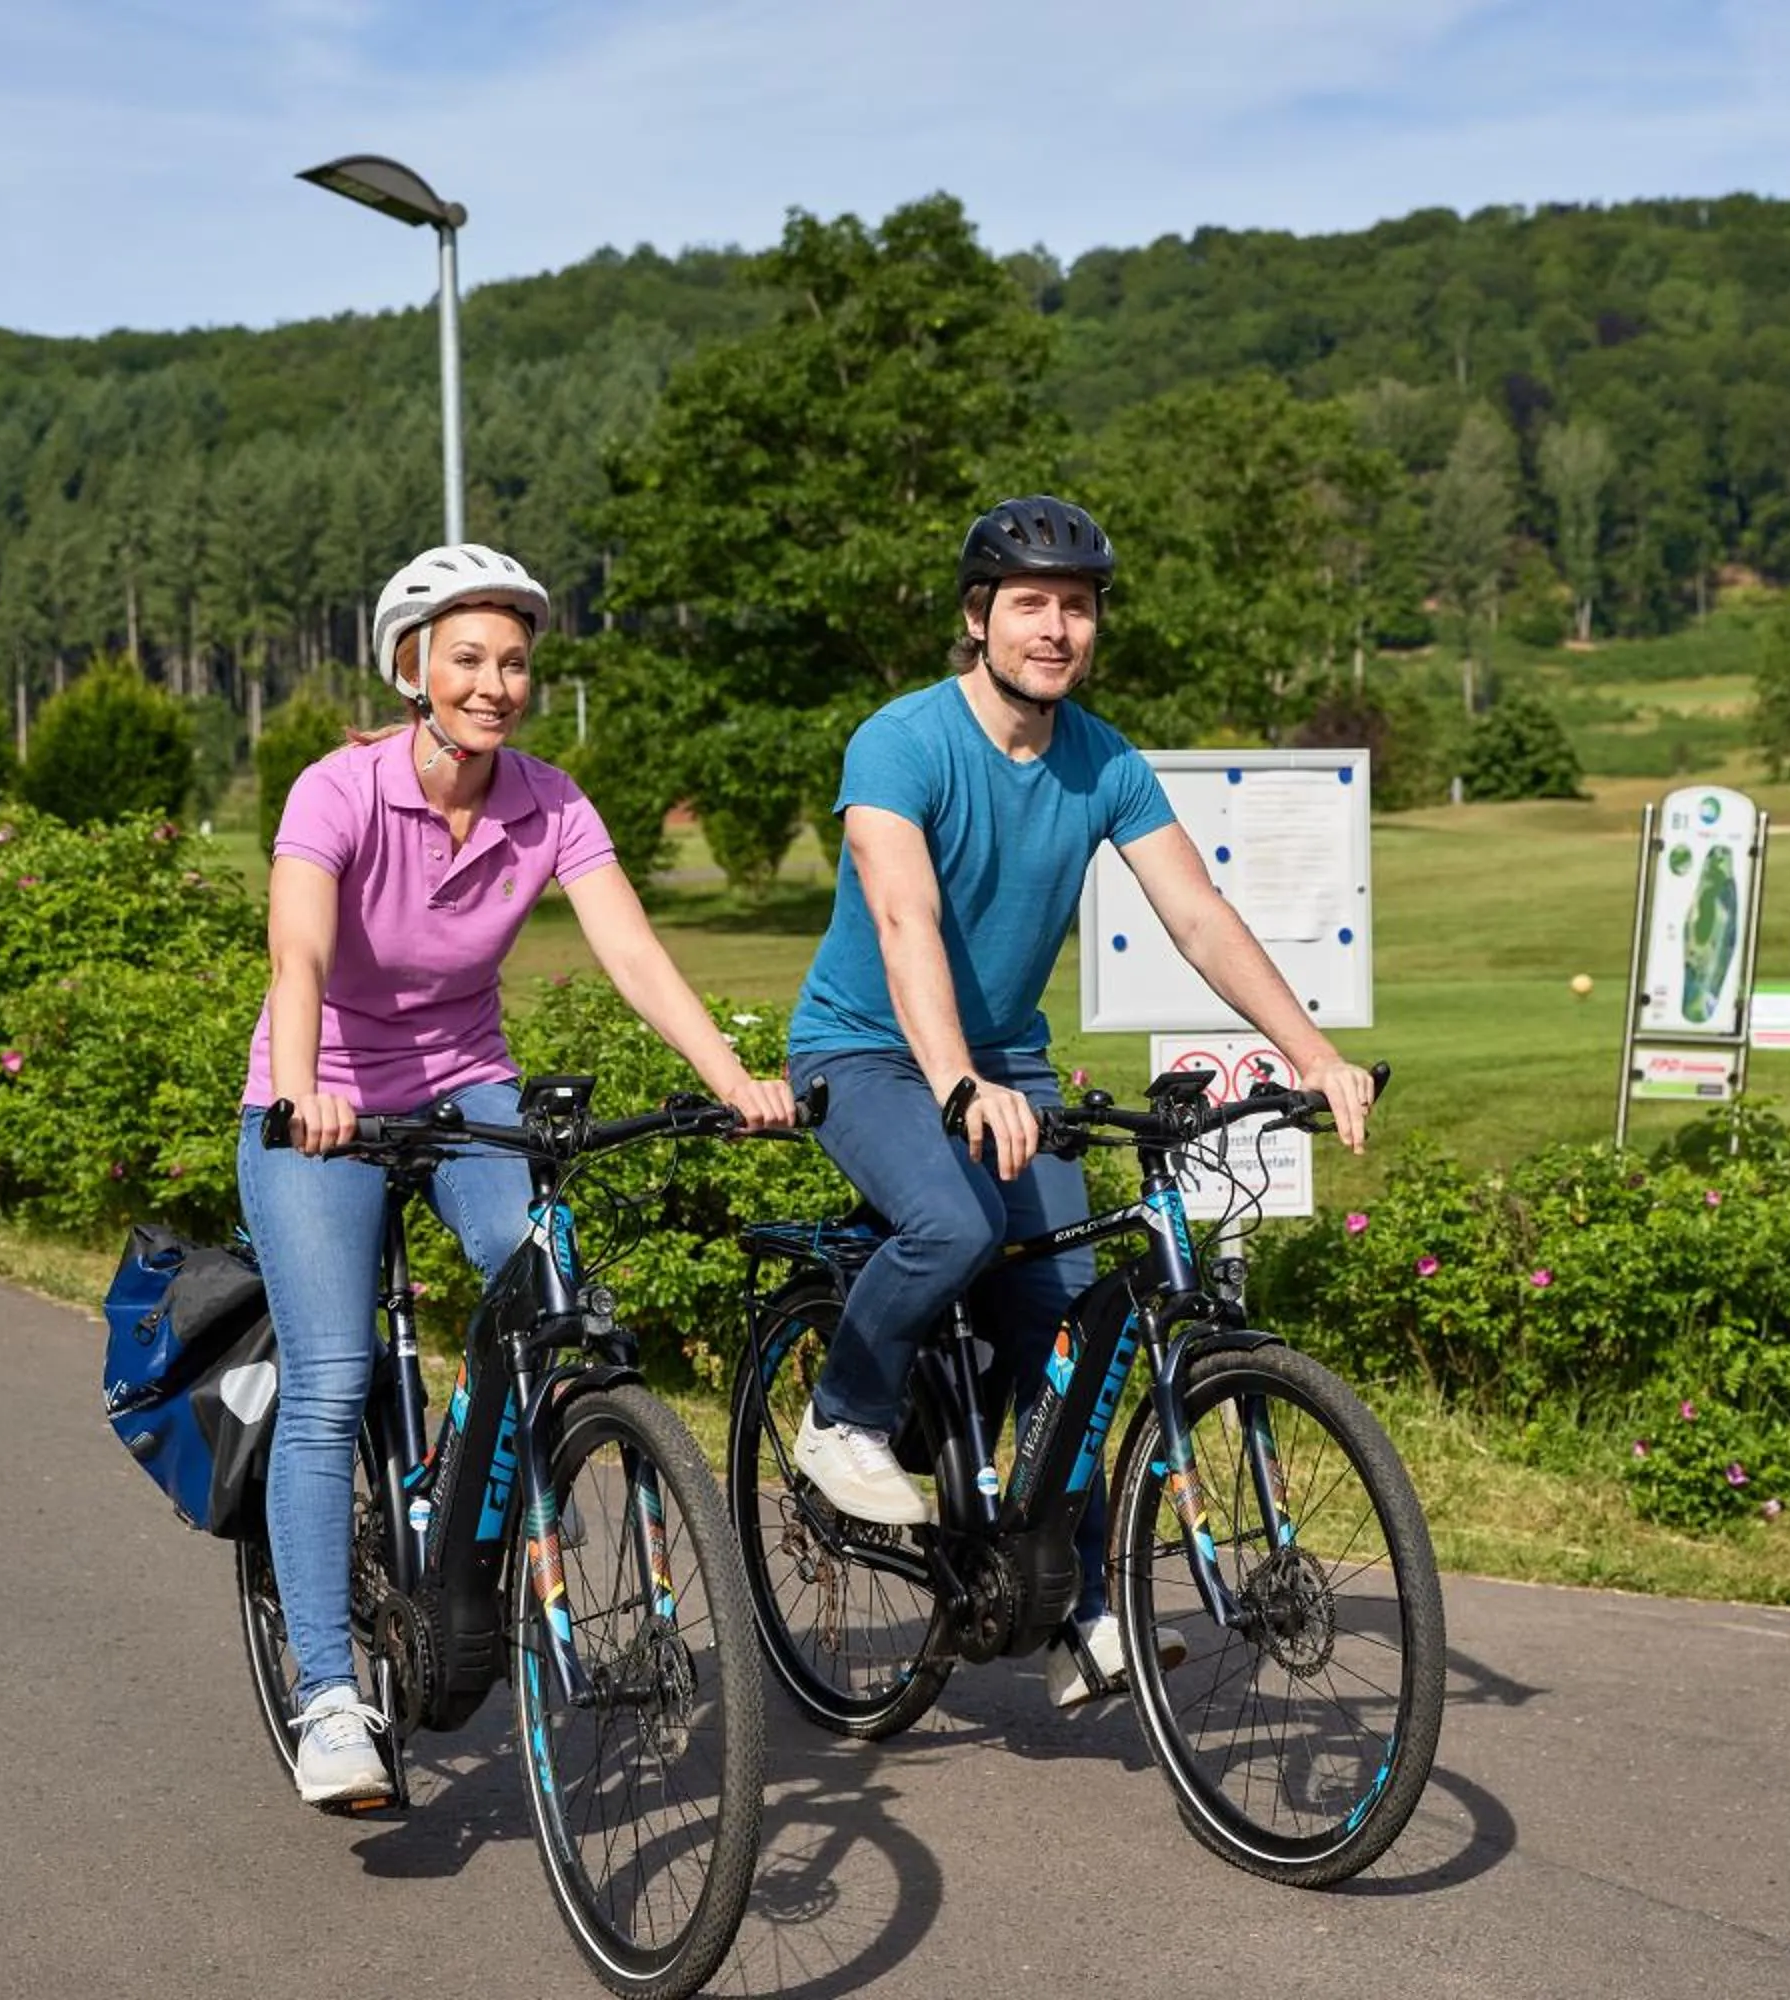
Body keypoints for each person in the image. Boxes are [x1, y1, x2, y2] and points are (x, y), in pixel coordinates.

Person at [783, 495, 1376, 1709]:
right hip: (869, 1049)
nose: (1056, 628)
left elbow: (1199, 915)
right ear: (977, 617)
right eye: (1031, 604)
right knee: (951, 1228)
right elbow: (905, 920)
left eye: (1078, 606)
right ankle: (841, 1417)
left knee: (1073, 1333)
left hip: (1010, 1063)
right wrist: (954, 1080)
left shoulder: (1103, 759)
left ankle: (1079, 1607)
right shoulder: (900, 741)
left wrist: (1311, 1051)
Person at [239, 543, 794, 1807]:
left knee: (556, 1306)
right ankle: (330, 1691)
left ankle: (500, 1503)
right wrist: (302, 1087)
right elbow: (298, 944)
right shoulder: (337, 789)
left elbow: (634, 951)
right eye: (470, 658)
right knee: (330, 1380)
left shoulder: (550, 801)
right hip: (320, 1088)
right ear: (412, 667)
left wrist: (725, 1074)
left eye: (516, 662)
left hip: (465, 1081)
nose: (497, 683)